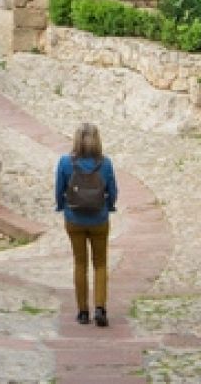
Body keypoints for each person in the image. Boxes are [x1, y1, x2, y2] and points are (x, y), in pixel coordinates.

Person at [55, 122, 118, 327]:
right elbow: (113, 191)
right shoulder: (105, 164)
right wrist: (109, 207)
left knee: (79, 263)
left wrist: (61, 206)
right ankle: (100, 307)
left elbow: (59, 189)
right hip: (99, 219)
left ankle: (83, 311)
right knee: (100, 264)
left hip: (74, 219)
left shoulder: (65, 163)